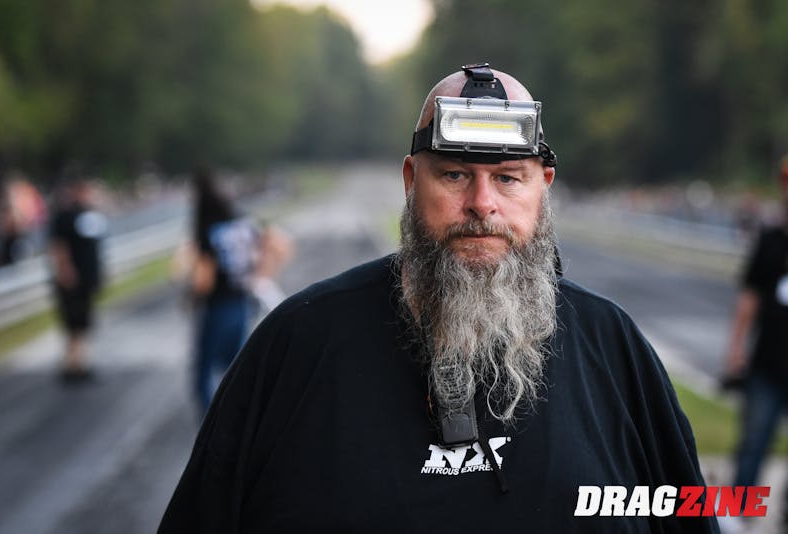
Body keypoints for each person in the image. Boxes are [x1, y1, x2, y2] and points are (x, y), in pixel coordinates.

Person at [160, 65, 718, 532]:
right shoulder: (298, 343)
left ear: (544, 185)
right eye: (454, 174)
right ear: (410, 179)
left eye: (508, 178)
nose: (482, 203)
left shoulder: (611, 346)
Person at [189, 169, 293, 413]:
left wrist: (191, 294)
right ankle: (242, 418)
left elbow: (204, 281)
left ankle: (214, 424)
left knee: (204, 372)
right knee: (237, 368)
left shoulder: (208, 229)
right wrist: (262, 275)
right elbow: (281, 244)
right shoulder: (243, 223)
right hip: (243, 302)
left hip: (218, 305)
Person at [723, 156, 788, 524]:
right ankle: (738, 515)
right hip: (767, 363)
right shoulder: (770, 241)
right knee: (753, 441)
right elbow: (749, 299)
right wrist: (736, 349)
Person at [48, 178, 106, 382]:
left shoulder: (88, 214)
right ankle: (73, 365)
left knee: (83, 324)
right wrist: (65, 270)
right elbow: (58, 246)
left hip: (86, 281)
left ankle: (79, 363)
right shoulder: (64, 216)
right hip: (72, 281)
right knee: (73, 324)